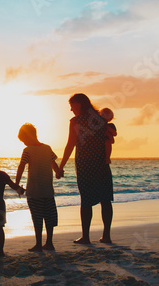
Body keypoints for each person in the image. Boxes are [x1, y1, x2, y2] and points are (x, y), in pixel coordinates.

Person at [59, 93, 114, 244]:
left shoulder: (76, 121)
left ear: (79, 104)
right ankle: (107, 236)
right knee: (105, 200)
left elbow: (70, 145)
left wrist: (61, 166)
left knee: (86, 201)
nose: (71, 109)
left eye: (72, 105)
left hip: (85, 165)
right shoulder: (101, 119)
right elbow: (109, 140)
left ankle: (86, 237)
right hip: (102, 165)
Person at [15, 123, 63, 252]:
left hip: (34, 191)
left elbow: (21, 166)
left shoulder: (28, 150)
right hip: (48, 190)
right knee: (49, 217)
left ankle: (38, 244)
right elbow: (54, 164)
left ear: (28, 136)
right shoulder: (47, 148)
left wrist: (16, 183)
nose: (24, 143)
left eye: (24, 140)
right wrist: (58, 172)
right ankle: (49, 243)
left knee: (37, 217)